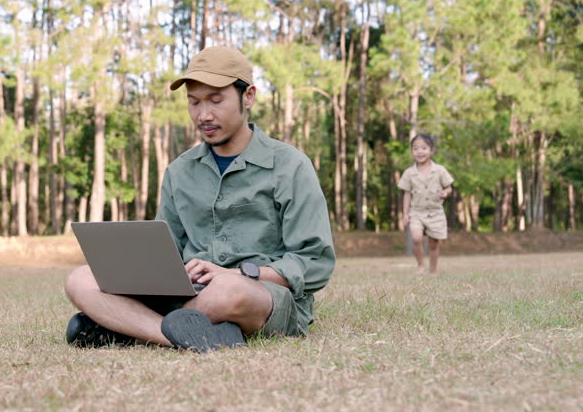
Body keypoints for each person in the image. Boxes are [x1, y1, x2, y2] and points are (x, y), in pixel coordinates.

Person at [63, 45, 336, 352]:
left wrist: (240, 273)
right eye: (194, 103)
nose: (203, 115)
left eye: (216, 101)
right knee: (80, 279)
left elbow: (315, 261)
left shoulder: (290, 166)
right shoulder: (179, 171)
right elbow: (163, 252)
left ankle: (130, 330)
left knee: (232, 291)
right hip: (186, 292)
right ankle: (180, 333)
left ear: (248, 97)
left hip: (256, 294)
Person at [398, 133, 454, 275]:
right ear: (412, 152)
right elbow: (407, 194)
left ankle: (433, 271)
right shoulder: (409, 173)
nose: (420, 151)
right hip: (416, 211)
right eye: (416, 148)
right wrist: (405, 214)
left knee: (434, 243)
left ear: (431, 150)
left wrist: (445, 193)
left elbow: (449, 187)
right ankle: (421, 265)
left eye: (424, 148)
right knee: (416, 238)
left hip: (435, 212)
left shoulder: (440, 170)